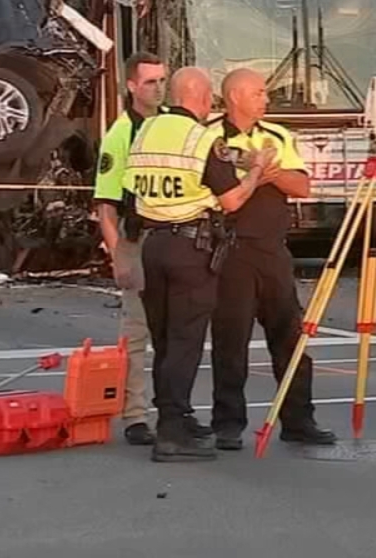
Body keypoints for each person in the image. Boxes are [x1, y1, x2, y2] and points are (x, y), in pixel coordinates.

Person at [124, 66, 268, 461]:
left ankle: (176, 415)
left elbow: (130, 186)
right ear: (202, 99)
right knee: (186, 341)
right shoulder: (201, 137)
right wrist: (256, 169)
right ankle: (172, 433)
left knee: (165, 339)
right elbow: (232, 200)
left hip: (152, 244)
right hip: (190, 247)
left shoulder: (147, 131)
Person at [207, 68, 338, 451]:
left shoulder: (277, 136)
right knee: (231, 340)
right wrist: (257, 172)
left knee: (290, 336)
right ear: (234, 96)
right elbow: (219, 191)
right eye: (258, 93)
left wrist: (264, 171)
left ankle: (299, 419)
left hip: (272, 248)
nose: (265, 99)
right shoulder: (211, 137)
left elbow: (301, 185)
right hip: (230, 248)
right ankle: (227, 423)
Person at [92, 51, 167, 447]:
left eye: (161, 80)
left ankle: (173, 410)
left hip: (175, 236)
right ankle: (136, 414)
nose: (158, 88)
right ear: (132, 86)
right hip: (138, 238)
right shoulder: (121, 134)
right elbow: (106, 204)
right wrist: (118, 254)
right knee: (137, 332)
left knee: (175, 331)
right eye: (150, 81)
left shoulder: (174, 123)